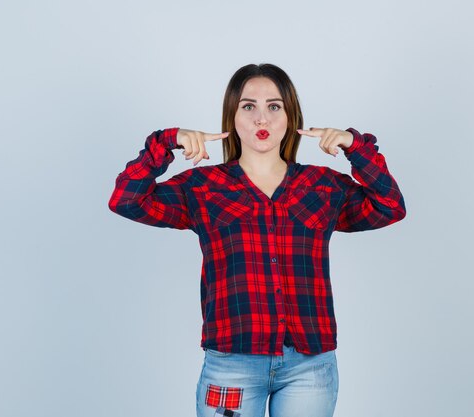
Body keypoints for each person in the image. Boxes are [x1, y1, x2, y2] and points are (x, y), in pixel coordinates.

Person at [108, 63, 406, 417]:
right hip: (232, 365)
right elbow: (126, 200)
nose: (261, 119)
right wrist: (166, 143)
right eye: (248, 106)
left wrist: (355, 147)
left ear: (290, 115)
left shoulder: (323, 186)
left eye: (273, 106)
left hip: (308, 366)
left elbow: (389, 207)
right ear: (232, 116)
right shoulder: (202, 187)